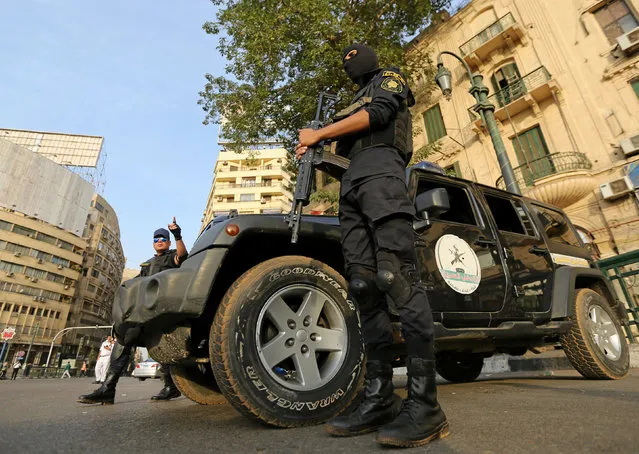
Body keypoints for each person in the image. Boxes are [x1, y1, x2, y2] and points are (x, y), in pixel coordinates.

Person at [295, 44, 448, 448]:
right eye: (343, 60)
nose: (349, 63)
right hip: (351, 189)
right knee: (362, 287)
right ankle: (380, 398)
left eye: (354, 56)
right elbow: (346, 153)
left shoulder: (387, 78)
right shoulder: (347, 107)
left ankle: (426, 406)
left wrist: (321, 133)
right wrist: (315, 149)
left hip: (384, 177)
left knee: (397, 276)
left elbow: (380, 115)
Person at [78, 218, 188, 405]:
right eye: (156, 239)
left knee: (162, 346)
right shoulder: (147, 264)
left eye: (163, 238)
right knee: (124, 339)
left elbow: (182, 256)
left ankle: (171, 386)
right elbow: (134, 285)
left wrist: (177, 234)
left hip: (165, 310)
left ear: (168, 242)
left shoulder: (171, 256)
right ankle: (108, 388)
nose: (159, 241)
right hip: (144, 312)